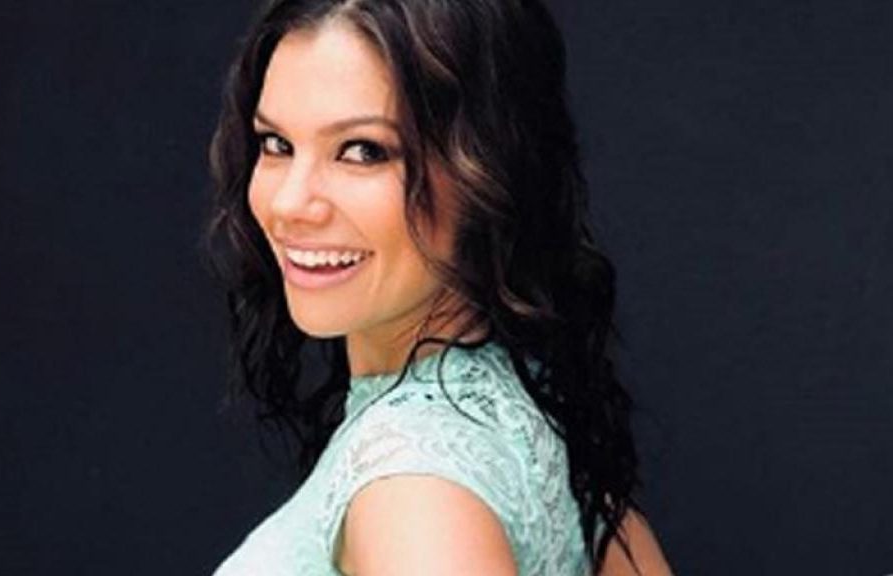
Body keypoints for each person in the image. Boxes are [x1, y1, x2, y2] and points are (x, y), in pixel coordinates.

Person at [206, 0, 672, 574]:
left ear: (489, 170)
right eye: (276, 144)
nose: (289, 203)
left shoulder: (415, 494)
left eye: (364, 151)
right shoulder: (534, 425)